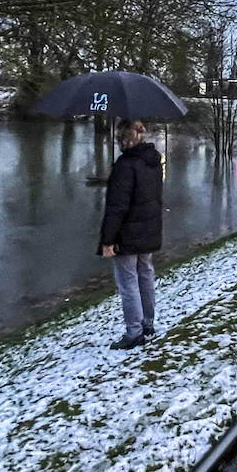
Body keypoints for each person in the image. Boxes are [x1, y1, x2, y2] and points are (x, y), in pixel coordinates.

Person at [99, 119, 164, 349]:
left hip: (127, 234)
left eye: (119, 138)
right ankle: (147, 325)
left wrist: (107, 241)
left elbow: (117, 208)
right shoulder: (153, 161)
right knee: (145, 274)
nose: (117, 141)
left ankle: (134, 332)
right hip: (148, 230)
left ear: (125, 139)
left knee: (128, 282)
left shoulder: (125, 166)